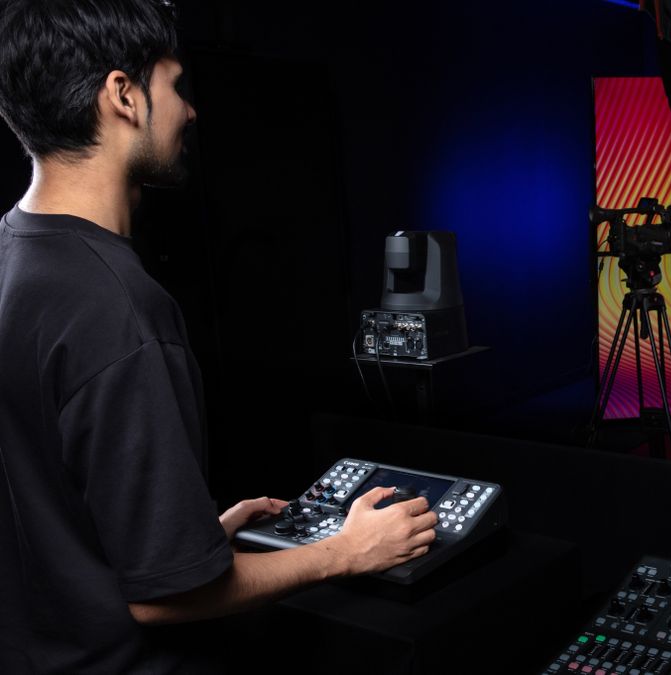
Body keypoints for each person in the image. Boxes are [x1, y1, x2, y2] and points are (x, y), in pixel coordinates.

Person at [0, 2, 436, 672]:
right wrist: (346, 550)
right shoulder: (117, 307)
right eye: (175, 86)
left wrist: (195, 535)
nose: (189, 110)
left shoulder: (12, 254)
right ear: (122, 95)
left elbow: (49, 499)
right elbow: (169, 599)